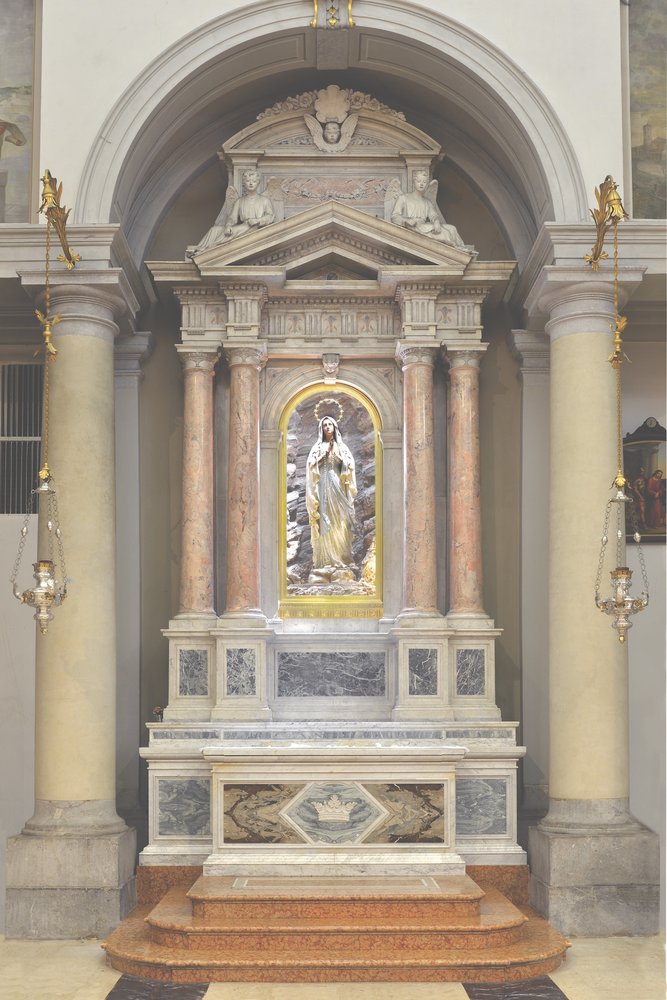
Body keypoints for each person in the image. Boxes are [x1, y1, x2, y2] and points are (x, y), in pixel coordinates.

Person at [305, 415, 357, 579]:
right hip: (323, 486)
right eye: (325, 425)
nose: (327, 427)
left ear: (335, 427)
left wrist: (338, 458)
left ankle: (341, 557)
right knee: (325, 519)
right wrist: (324, 456)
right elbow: (311, 467)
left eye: (330, 424)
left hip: (338, 486)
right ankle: (326, 560)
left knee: (340, 520)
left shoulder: (342, 447)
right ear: (322, 428)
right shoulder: (317, 447)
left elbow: (349, 467)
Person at [190, 169, 275, 252]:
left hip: (254, 228)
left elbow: (270, 216)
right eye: (248, 181)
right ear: (244, 183)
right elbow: (232, 218)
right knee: (214, 230)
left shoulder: (264, 200)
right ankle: (200, 248)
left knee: (229, 233)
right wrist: (228, 225)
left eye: (254, 181)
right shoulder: (240, 201)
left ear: (258, 183)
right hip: (244, 226)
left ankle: (205, 250)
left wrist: (257, 221)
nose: (251, 183)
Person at [391, 169, 466, 248]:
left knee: (452, 228)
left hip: (424, 227)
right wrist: (407, 220)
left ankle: (462, 249)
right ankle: (456, 249)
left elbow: (433, 215)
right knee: (445, 234)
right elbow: (394, 217)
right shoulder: (403, 198)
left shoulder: (427, 202)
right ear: (414, 182)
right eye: (419, 181)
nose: (421, 184)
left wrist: (436, 221)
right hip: (413, 228)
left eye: (424, 182)